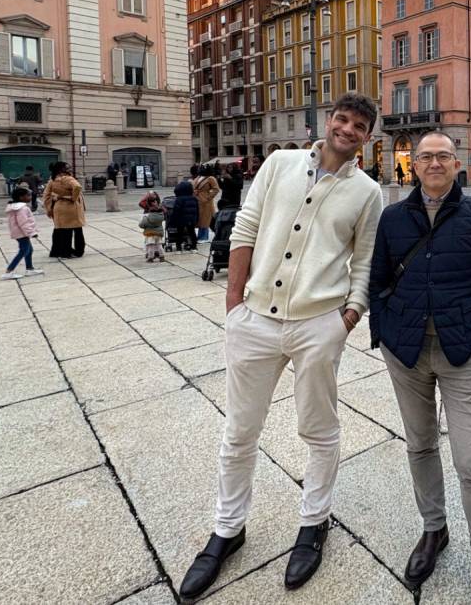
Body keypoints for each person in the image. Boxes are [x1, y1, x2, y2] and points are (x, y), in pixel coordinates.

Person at [180, 94, 383, 600]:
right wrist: (234, 301)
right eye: (342, 119)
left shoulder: (367, 192)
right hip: (254, 318)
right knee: (239, 430)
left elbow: (365, 260)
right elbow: (246, 226)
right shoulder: (279, 164)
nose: (348, 129)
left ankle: (314, 523)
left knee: (318, 428)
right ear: (328, 121)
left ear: (367, 136)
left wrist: (349, 317)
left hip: (320, 322)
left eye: (359, 125)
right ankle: (228, 529)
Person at [369, 131, 471, 603]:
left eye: (443, 156)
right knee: (420, 444)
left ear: (457, 163)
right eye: (425, 156)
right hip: (405, 350)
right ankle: (435, 529)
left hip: (462, 349)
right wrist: (381, 332)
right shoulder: (393, 217)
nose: (434, 163)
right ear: (413, 164)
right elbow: (377, 278)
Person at [43, 162, 86, 258]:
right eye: (67, 168)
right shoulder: (68, 178)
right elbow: (77, 187)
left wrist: (49, 207)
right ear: (62, 169)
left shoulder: (52, 180)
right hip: (71, 207)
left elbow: (46, 195)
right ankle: (78, 251)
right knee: (77, 230)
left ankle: (58, 251)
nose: (70, 169)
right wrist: (73, 198)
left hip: (59, 207)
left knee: (61, 230)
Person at [2, 187, 44, 279]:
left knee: (29, 250)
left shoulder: (16, 207)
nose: (30, 197)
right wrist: (31, 233)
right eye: (28, 195)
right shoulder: (22, 209)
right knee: (23, 251)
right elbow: (23, 222)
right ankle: (9, 271)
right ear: (21, 197)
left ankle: (29, 269)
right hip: (22, 233)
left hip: (19, 232)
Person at [168, 179, 199, 250]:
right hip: (191, 219)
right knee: (192, 232)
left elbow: (176, 210)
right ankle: (194, 246)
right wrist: (196, 219)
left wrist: (172, 220)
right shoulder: (194, 198)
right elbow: (197, 210)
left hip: (181, 219)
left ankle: (179, 247)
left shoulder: (179, 199)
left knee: (179, 233)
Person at [194, 165, 221, 242]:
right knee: (200, 219)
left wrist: (208, 197)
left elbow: (216, 189)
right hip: (197, 200)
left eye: (203, 168)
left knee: (205, 220)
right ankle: (200, 236)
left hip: (206, 202)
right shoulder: (198, 177)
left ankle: (203, 237)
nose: (201, 169)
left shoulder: (211, 178)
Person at [139, 191, 167, 262]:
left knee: (150, 245)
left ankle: (150, 257)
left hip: (150, 233)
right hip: (158, 233)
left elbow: (141, 224)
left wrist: (147, 196)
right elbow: (165, 211)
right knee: (159, 245)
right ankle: (161, 256)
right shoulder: (161, 213)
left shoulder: (147, 215)